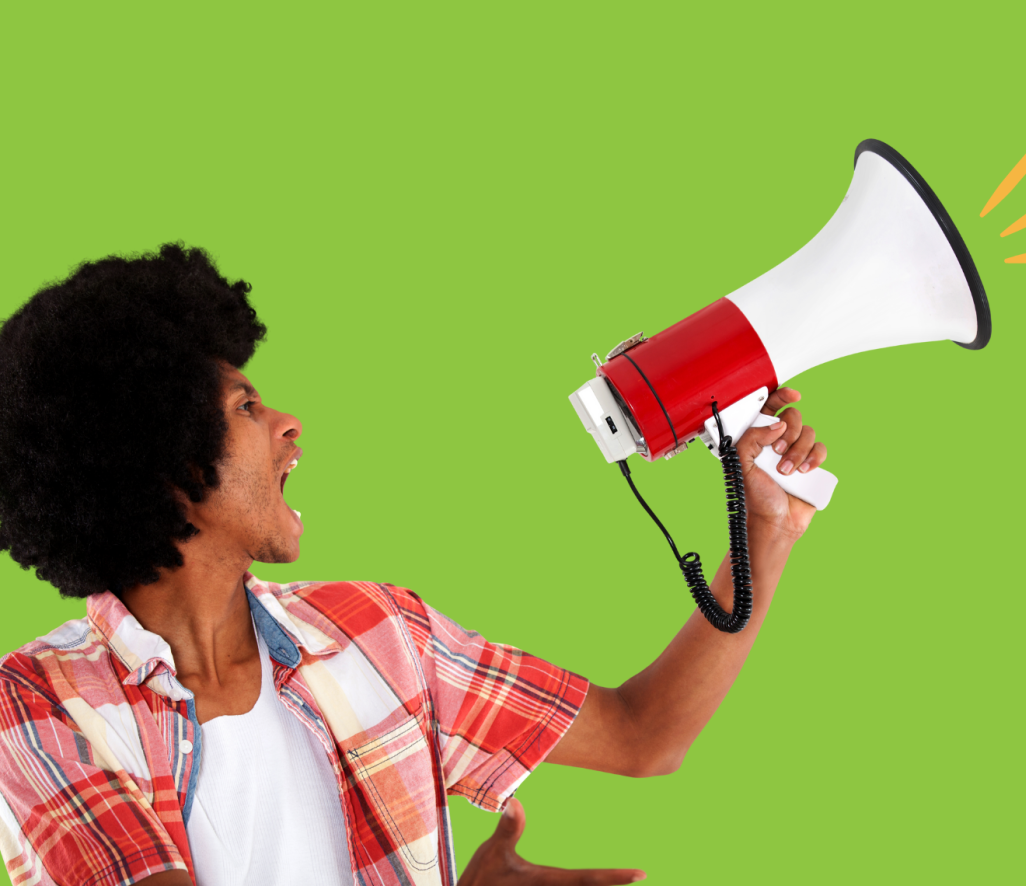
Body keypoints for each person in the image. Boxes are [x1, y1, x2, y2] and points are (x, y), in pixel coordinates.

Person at [0, 244, 828, 886]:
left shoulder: (376, 633)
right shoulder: (33, 706)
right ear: (163, 465)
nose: (288, 423)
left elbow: (646, 735)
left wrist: (766, 533)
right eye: (245, 406)